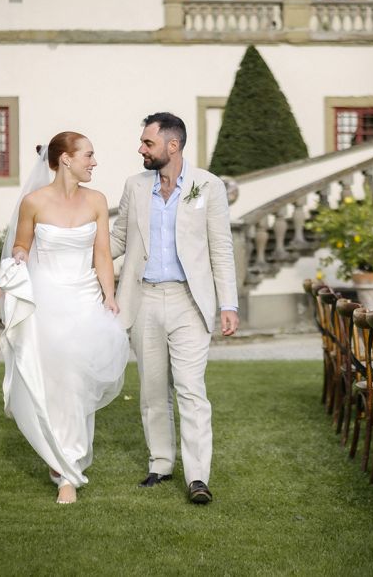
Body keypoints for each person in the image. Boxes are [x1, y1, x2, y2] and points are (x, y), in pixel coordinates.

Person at [110, 112, 239, 505]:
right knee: (151, 390)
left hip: (189, 301)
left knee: (190, 388)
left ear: (173, 145)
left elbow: (220, 247)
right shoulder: (135, 186)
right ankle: (160, 464)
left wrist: (228, 303)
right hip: (143, 298)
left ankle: (198, 477)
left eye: (147, 143)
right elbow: (118, 239)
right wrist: (74, 260)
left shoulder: (208, 186)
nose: (141, 149)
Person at [0, 132, 130, 505]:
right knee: (54, 384)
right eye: (88, 155)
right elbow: (21, 243)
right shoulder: (33, 202)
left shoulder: (98, 201)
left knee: (76, 381)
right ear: (66, 159)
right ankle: (60, 464)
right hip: (47, 300)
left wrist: (109, 295)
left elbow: (102, 253)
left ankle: (68, 470)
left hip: (85, 299)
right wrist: (20, 257)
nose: (94, 162)